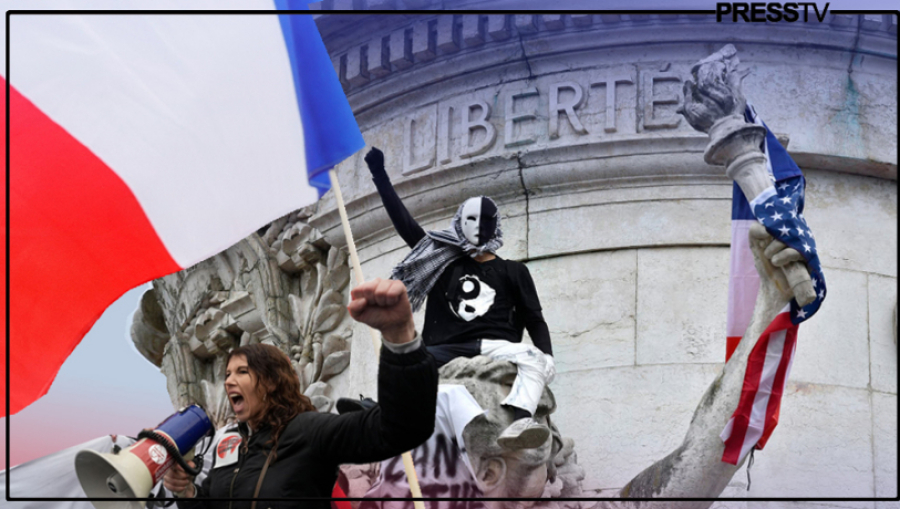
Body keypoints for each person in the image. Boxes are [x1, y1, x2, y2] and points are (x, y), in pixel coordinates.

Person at [163, 278, 438, 509]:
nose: (228, 382)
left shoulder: (309, 430)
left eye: (242, 372)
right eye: (227, 375)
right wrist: (188, 494)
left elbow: (400, 428)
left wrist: (400, 338)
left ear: (271, 381)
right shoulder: (230, 448)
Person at [361, 147, 554, 450]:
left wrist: (547, 356)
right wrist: (380, 175)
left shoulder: (514, 271)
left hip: (493, 346)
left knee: (533, 358)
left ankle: (520, 420)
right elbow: (405, 225)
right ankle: (374, 415)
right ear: (460, 221)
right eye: (471, 219)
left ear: (494, 224)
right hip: (443, 347)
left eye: (483, 220)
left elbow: (534, 318)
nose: (477, 227)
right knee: (402, 362)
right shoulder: (442, 261)